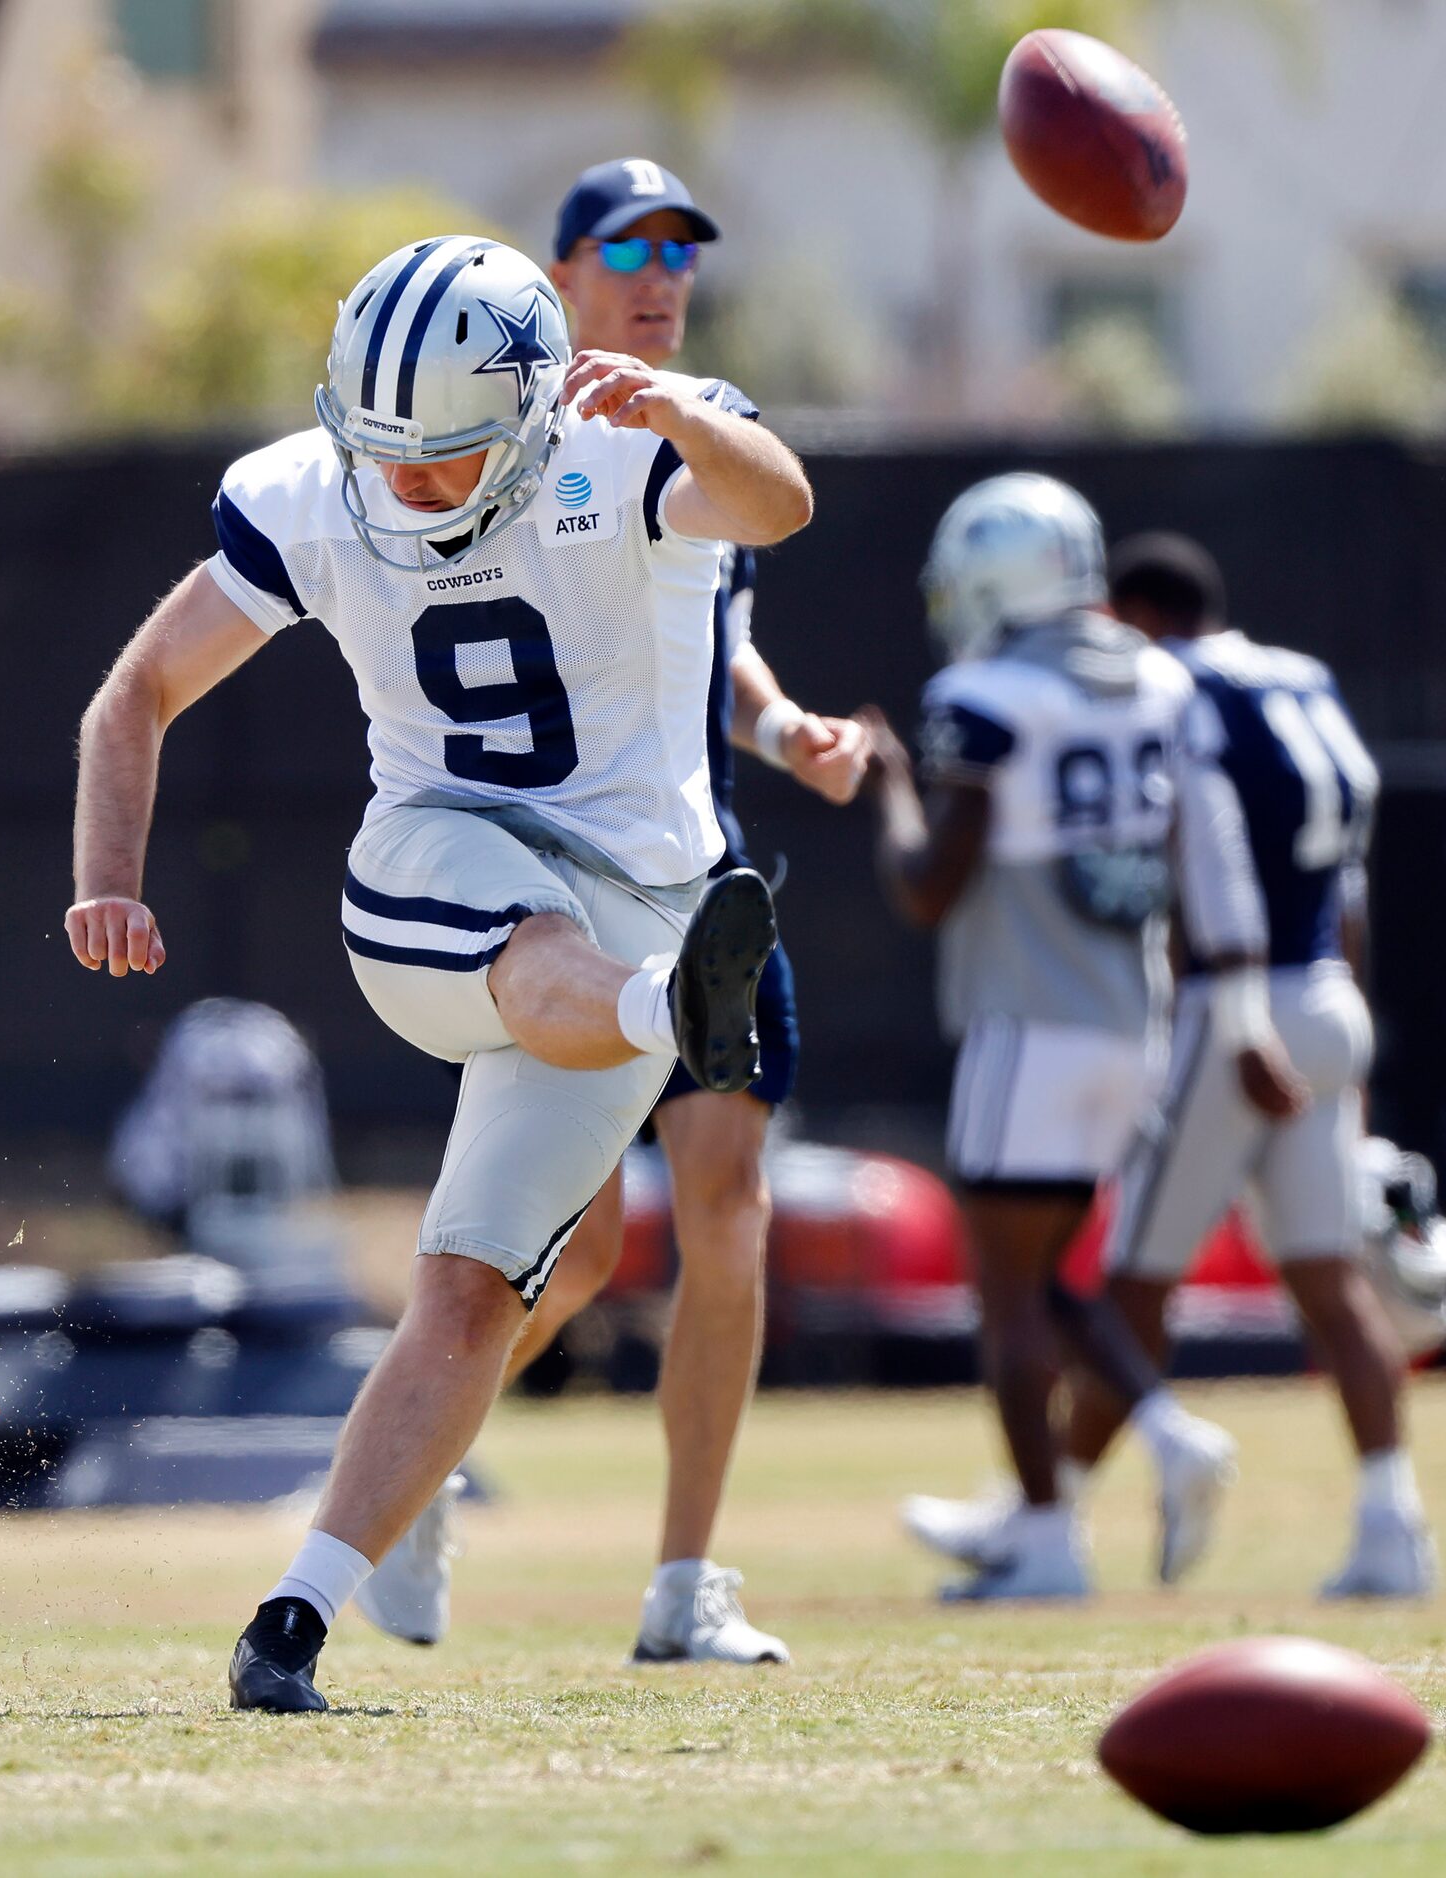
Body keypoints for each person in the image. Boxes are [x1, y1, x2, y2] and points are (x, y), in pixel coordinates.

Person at [67, 233, 816, 1710]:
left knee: (472, 1290)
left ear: (534, 416)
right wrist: (104, 876)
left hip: (636, 894)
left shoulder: (620, 448)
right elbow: (136, 688)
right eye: (382, 453)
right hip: (433, 863)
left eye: (448, 454)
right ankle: (667, 1012)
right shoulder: (311, 493)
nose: (406, 484)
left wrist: (674, 413)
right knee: (541, 949)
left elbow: (778, 503)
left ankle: (296, 1611)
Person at [352, 158, 866, 1666]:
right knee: (566, 1257)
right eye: (623, 246)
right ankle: (414, 1463)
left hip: (693, 885)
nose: (655, 272)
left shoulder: (681, 419)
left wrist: (788, 737)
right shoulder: (489, 431)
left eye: (677, 250)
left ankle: (683, 1581)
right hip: (552, 905)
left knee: (725, 1212)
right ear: (556, 273)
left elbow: (724, 634)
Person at [974, 533, 1431, 1597]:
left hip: (1235, 1007)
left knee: (1133, 1277)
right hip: (1324, 990)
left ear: (1131, 615)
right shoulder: (1301, 678)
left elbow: (1188, 852)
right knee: (1328, 1280)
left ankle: (1048, 1516)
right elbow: (1348, 885)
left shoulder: (1169, 681)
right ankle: (1390, 1523)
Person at [859, 476, 1246, 1601]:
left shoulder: (983, 694)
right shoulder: (1160, 680)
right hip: (1131, 1019)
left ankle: (1042, 1537)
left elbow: (930, 886)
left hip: (1027, 1018)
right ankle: (1168, 1439)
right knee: (1032, 1273)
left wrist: (889, 794)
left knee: (1006, 1291)